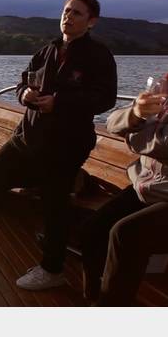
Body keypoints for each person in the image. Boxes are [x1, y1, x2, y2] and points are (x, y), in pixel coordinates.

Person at [0, 0, 117, 291]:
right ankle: (70, 185)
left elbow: (105, 98)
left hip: (66, 145)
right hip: (27, 137)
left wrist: (61, 102)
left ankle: (52, 269)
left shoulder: (98, 55)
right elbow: (22, 83)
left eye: (77, 13)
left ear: (91, 22)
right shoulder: (46, 51)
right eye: (66, 11)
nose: (68, 16)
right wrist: (24, 95)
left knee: (56, 205)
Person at [79, 92, 168, 305]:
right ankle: (94, 300)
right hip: (147, 188)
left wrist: (133, 131)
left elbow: (162, 144)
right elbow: (112, 123)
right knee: (92, 228)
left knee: (126, 234)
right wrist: (135, 113)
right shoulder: (162, 94)